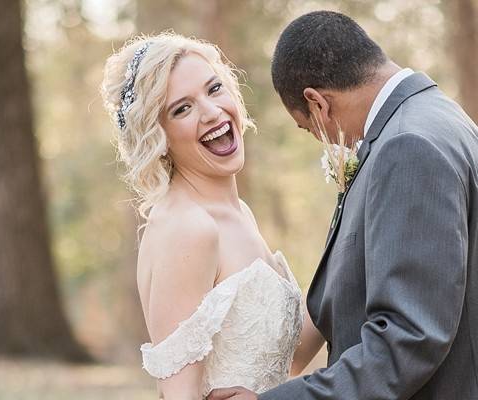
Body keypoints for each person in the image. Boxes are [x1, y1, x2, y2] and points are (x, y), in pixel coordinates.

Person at [208, 10, 478, 400]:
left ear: (317, 104)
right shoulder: (439, 118)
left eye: (309, 129)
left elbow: (409, 339)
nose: (330, 144)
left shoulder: (407, 146)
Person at [101, 33, 322, 399]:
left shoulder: (237, 213)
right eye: (182, 108)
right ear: (159, 137)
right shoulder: (188, 228)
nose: (212, 112)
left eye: (214, 88)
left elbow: (284, 360)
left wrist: (352, 248)